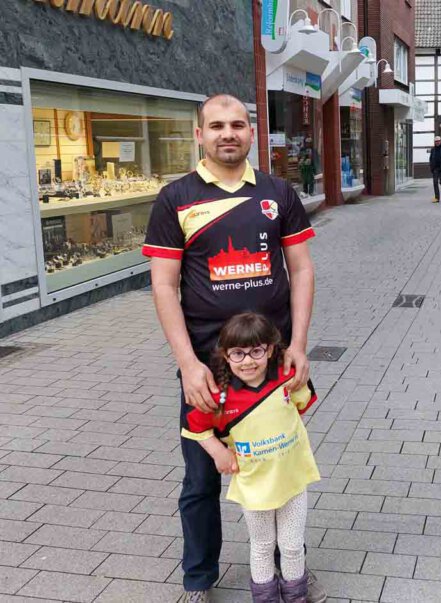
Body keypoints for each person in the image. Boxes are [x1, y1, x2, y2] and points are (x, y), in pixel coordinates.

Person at [142, 94, 325, 603]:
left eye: (238, 125)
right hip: (207, 368)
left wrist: (300, 345)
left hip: (273, 366)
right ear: (199, 134)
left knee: (281, 469)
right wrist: (186, 363)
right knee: (201, 477)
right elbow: (163, 286)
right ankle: (200, 578)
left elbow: (302, 270)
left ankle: (292, 571)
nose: (229, 133)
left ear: (252, 133)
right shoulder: (174, 198)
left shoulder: (277, 192)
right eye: (217, 125)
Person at [182, 312, 320, 603]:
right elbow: (195, 427)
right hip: (254, 488)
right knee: (262, 545)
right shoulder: (219, 396)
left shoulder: (285, 379)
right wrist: (218, 451)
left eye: (257, 351)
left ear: (271, 350)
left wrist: (298, 376)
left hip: (292, 480)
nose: (248, 361)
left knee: (293, 545)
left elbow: (302, 404)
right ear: (226, 355)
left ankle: (297, 596)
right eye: (238, 353)